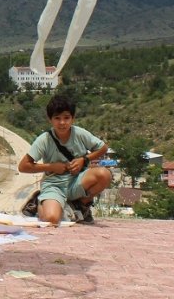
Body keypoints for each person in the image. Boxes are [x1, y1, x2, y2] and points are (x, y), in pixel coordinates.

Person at [17, 95, 112, 226]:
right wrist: (51, 167)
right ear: (50, 119)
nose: (62, 123)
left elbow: (103, 148)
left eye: (66, 118)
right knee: (51, 220)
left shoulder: (79, 134)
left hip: (77, 181)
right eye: (57, 118)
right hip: (54, 185)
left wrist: (83, 160)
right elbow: (23, 166)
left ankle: (81, 205)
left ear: (73, 118)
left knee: (104, 174)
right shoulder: (44, 139)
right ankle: (38, 202)